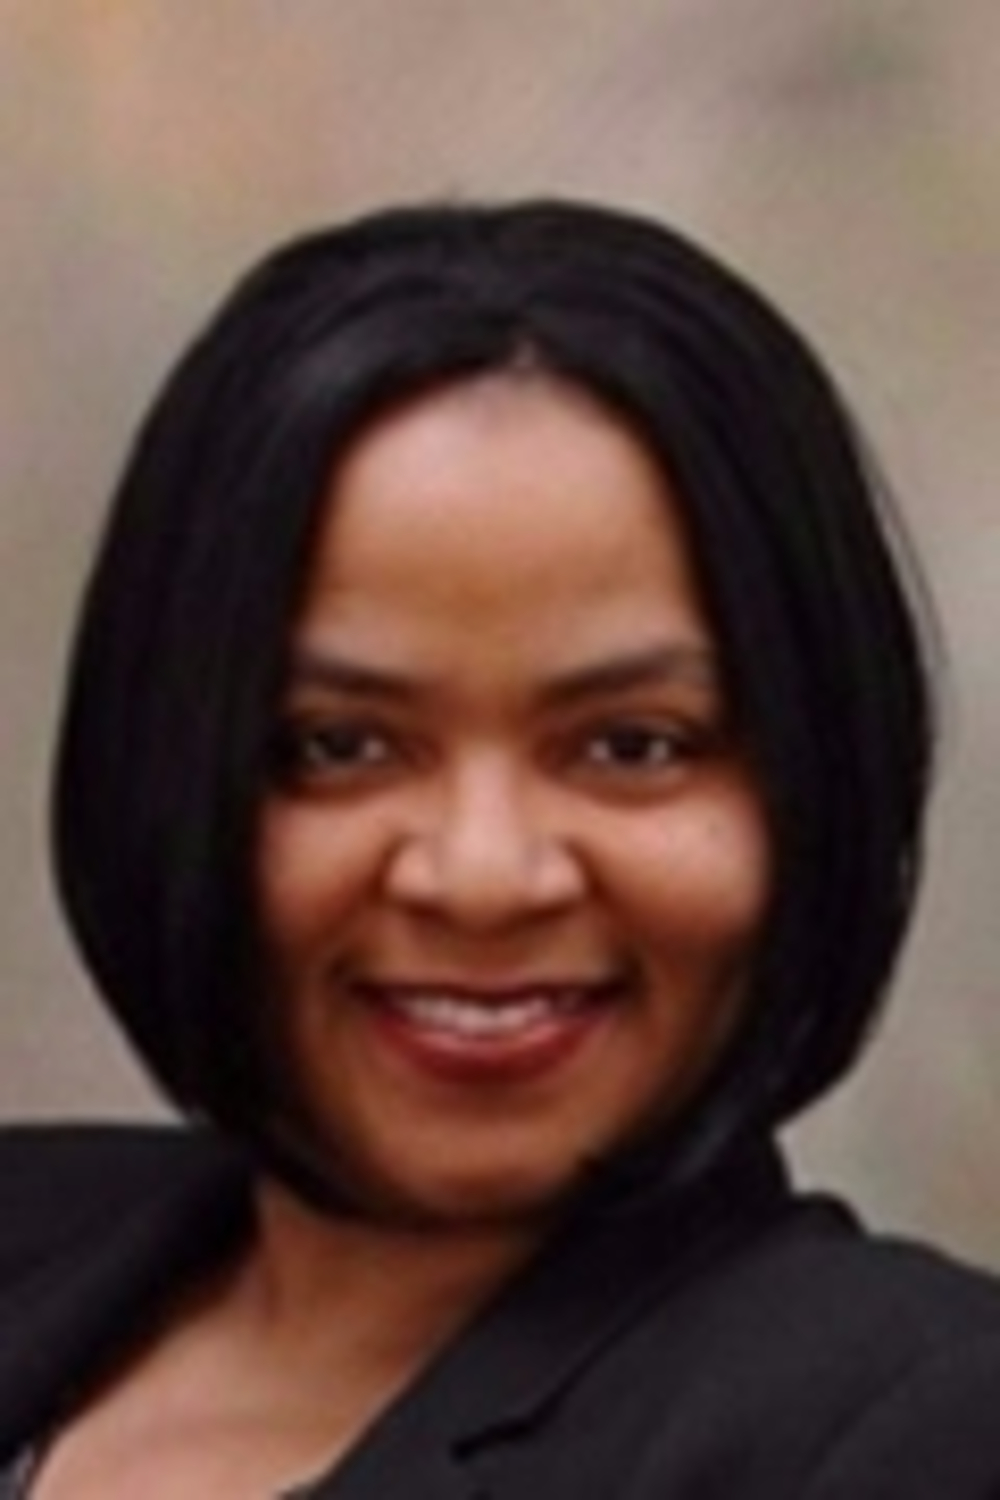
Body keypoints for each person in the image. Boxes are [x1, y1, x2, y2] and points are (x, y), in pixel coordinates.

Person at [1, 198, 999, 1499]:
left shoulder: (909, 1426)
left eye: (633, 746)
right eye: (341, 745)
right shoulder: (36, 1238)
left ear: (818, 779)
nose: (481, 877)